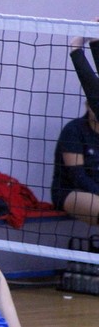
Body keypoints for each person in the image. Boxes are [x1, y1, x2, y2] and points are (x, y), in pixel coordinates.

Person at [51, 36, 99, 225]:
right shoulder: (75, 130)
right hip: (72, 191)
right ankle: (80, 48)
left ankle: (86, 45)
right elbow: (77, 177)